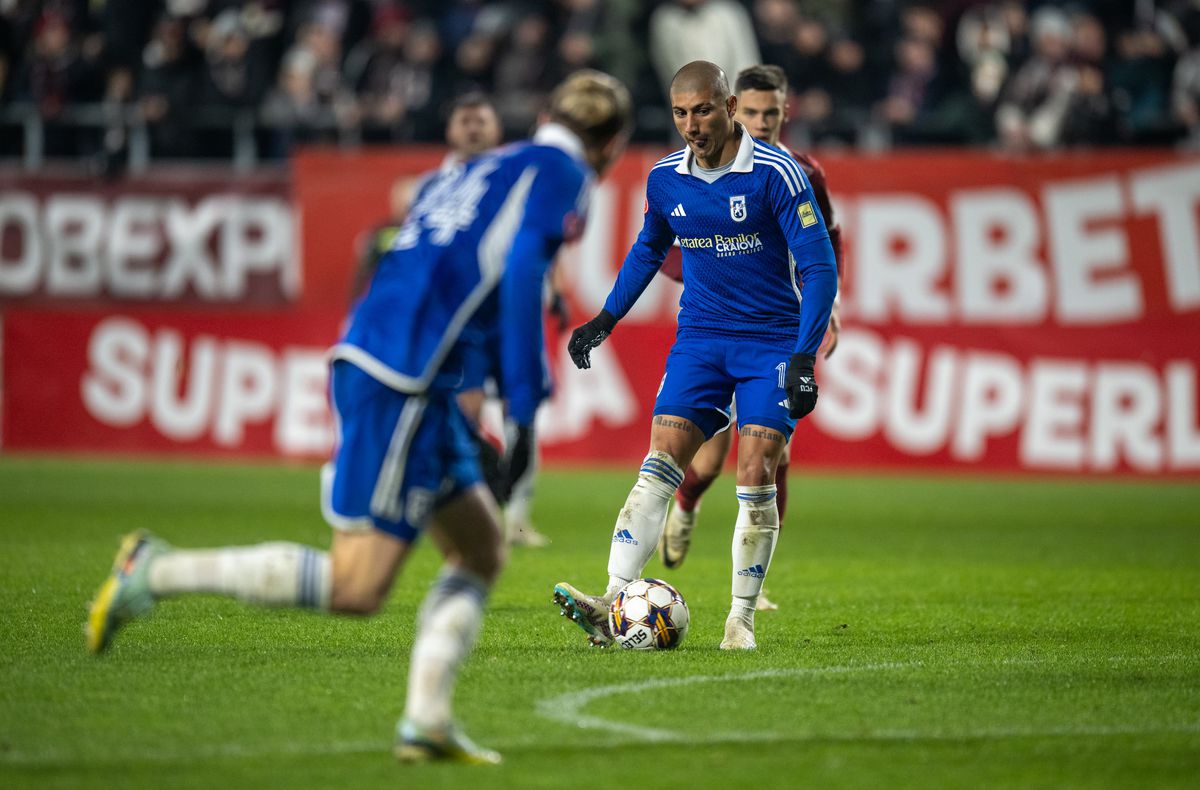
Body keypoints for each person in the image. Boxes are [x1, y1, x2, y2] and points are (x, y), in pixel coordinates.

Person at [86, 69, 633, 764]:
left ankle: (427, 722)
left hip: (390, 359)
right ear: (612, 144)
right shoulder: (564, 171)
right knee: (356, 585)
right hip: (405, 376)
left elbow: (438, 262)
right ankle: (155, 571)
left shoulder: (479, 169)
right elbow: (523, 273)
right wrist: (523, 407)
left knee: (480, 549)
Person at [554, 60, 837, 651]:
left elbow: (819, 267)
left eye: (703, 110)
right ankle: (610, 603)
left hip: (770, 341)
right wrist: (606, 318)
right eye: (681, 113)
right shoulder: (665, 179)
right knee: (659, 460)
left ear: (729, 107)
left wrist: (805, 358)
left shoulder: (778, 173)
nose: (692, 124)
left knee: (756, 469)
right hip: (701, 340)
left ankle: (740, 621)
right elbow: (648, 249)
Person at [658, 64, 845, 612]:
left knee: (771, 455)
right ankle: (687, 502)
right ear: (737, 109)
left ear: (786, 112)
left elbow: (827, 246)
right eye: (754, 112)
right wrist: (716, 261)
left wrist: (829, 306)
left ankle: (753, 588)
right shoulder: (702, 172)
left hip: (780, 329)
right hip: (717, 327)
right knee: (711, 460)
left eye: (772, 112)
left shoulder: (800, 172)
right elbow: (666, 248)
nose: (762, 122)